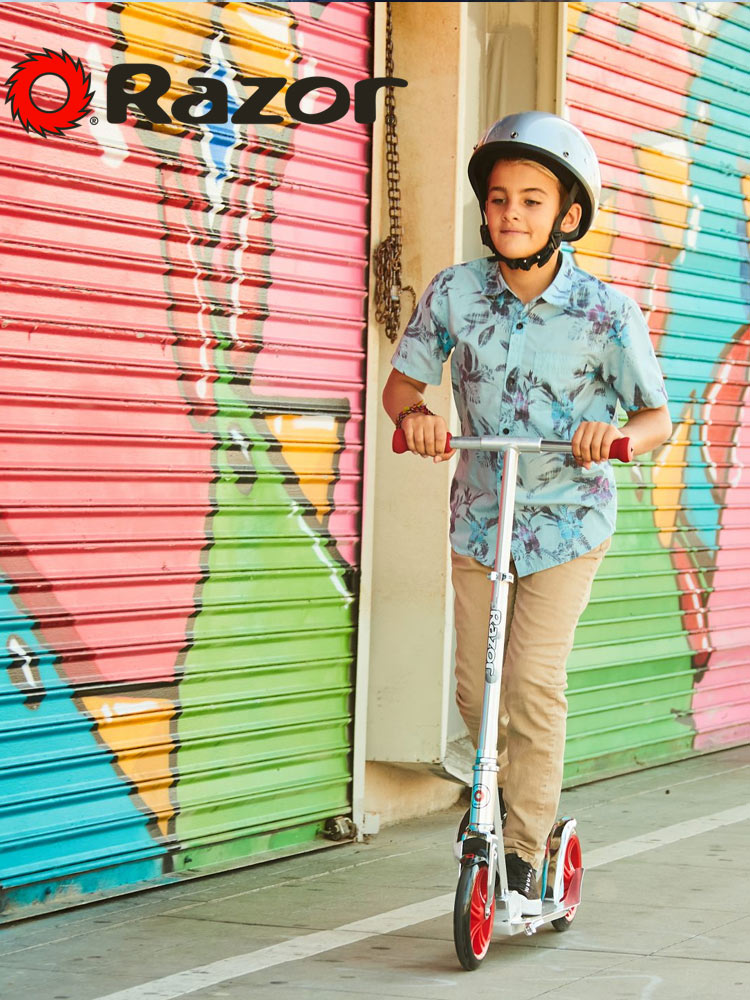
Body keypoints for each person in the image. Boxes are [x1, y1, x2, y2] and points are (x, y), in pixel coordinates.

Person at [382, 111, 672, 915]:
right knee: (479, 696)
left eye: (533, 200)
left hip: (567, 520)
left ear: (568, 214)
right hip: (481, 511)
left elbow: (658, 418)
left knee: (533, 687)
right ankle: (507, 812)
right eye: (501, 197)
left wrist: (613, 436)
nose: (512, 213)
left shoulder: (605, 311)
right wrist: (417, 419)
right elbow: (401, 387)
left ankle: (523, 851)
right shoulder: (455, 292)